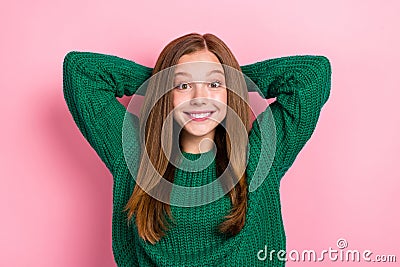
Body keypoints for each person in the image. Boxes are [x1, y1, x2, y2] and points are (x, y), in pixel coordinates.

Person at [63, 32, 331, 267]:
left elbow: (311, 75)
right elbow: (81, 71)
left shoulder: (258, 155)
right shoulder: (136, 154)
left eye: (214, 85)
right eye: (183, 86)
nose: (199, 98)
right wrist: (161, 79)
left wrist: (232, 76)